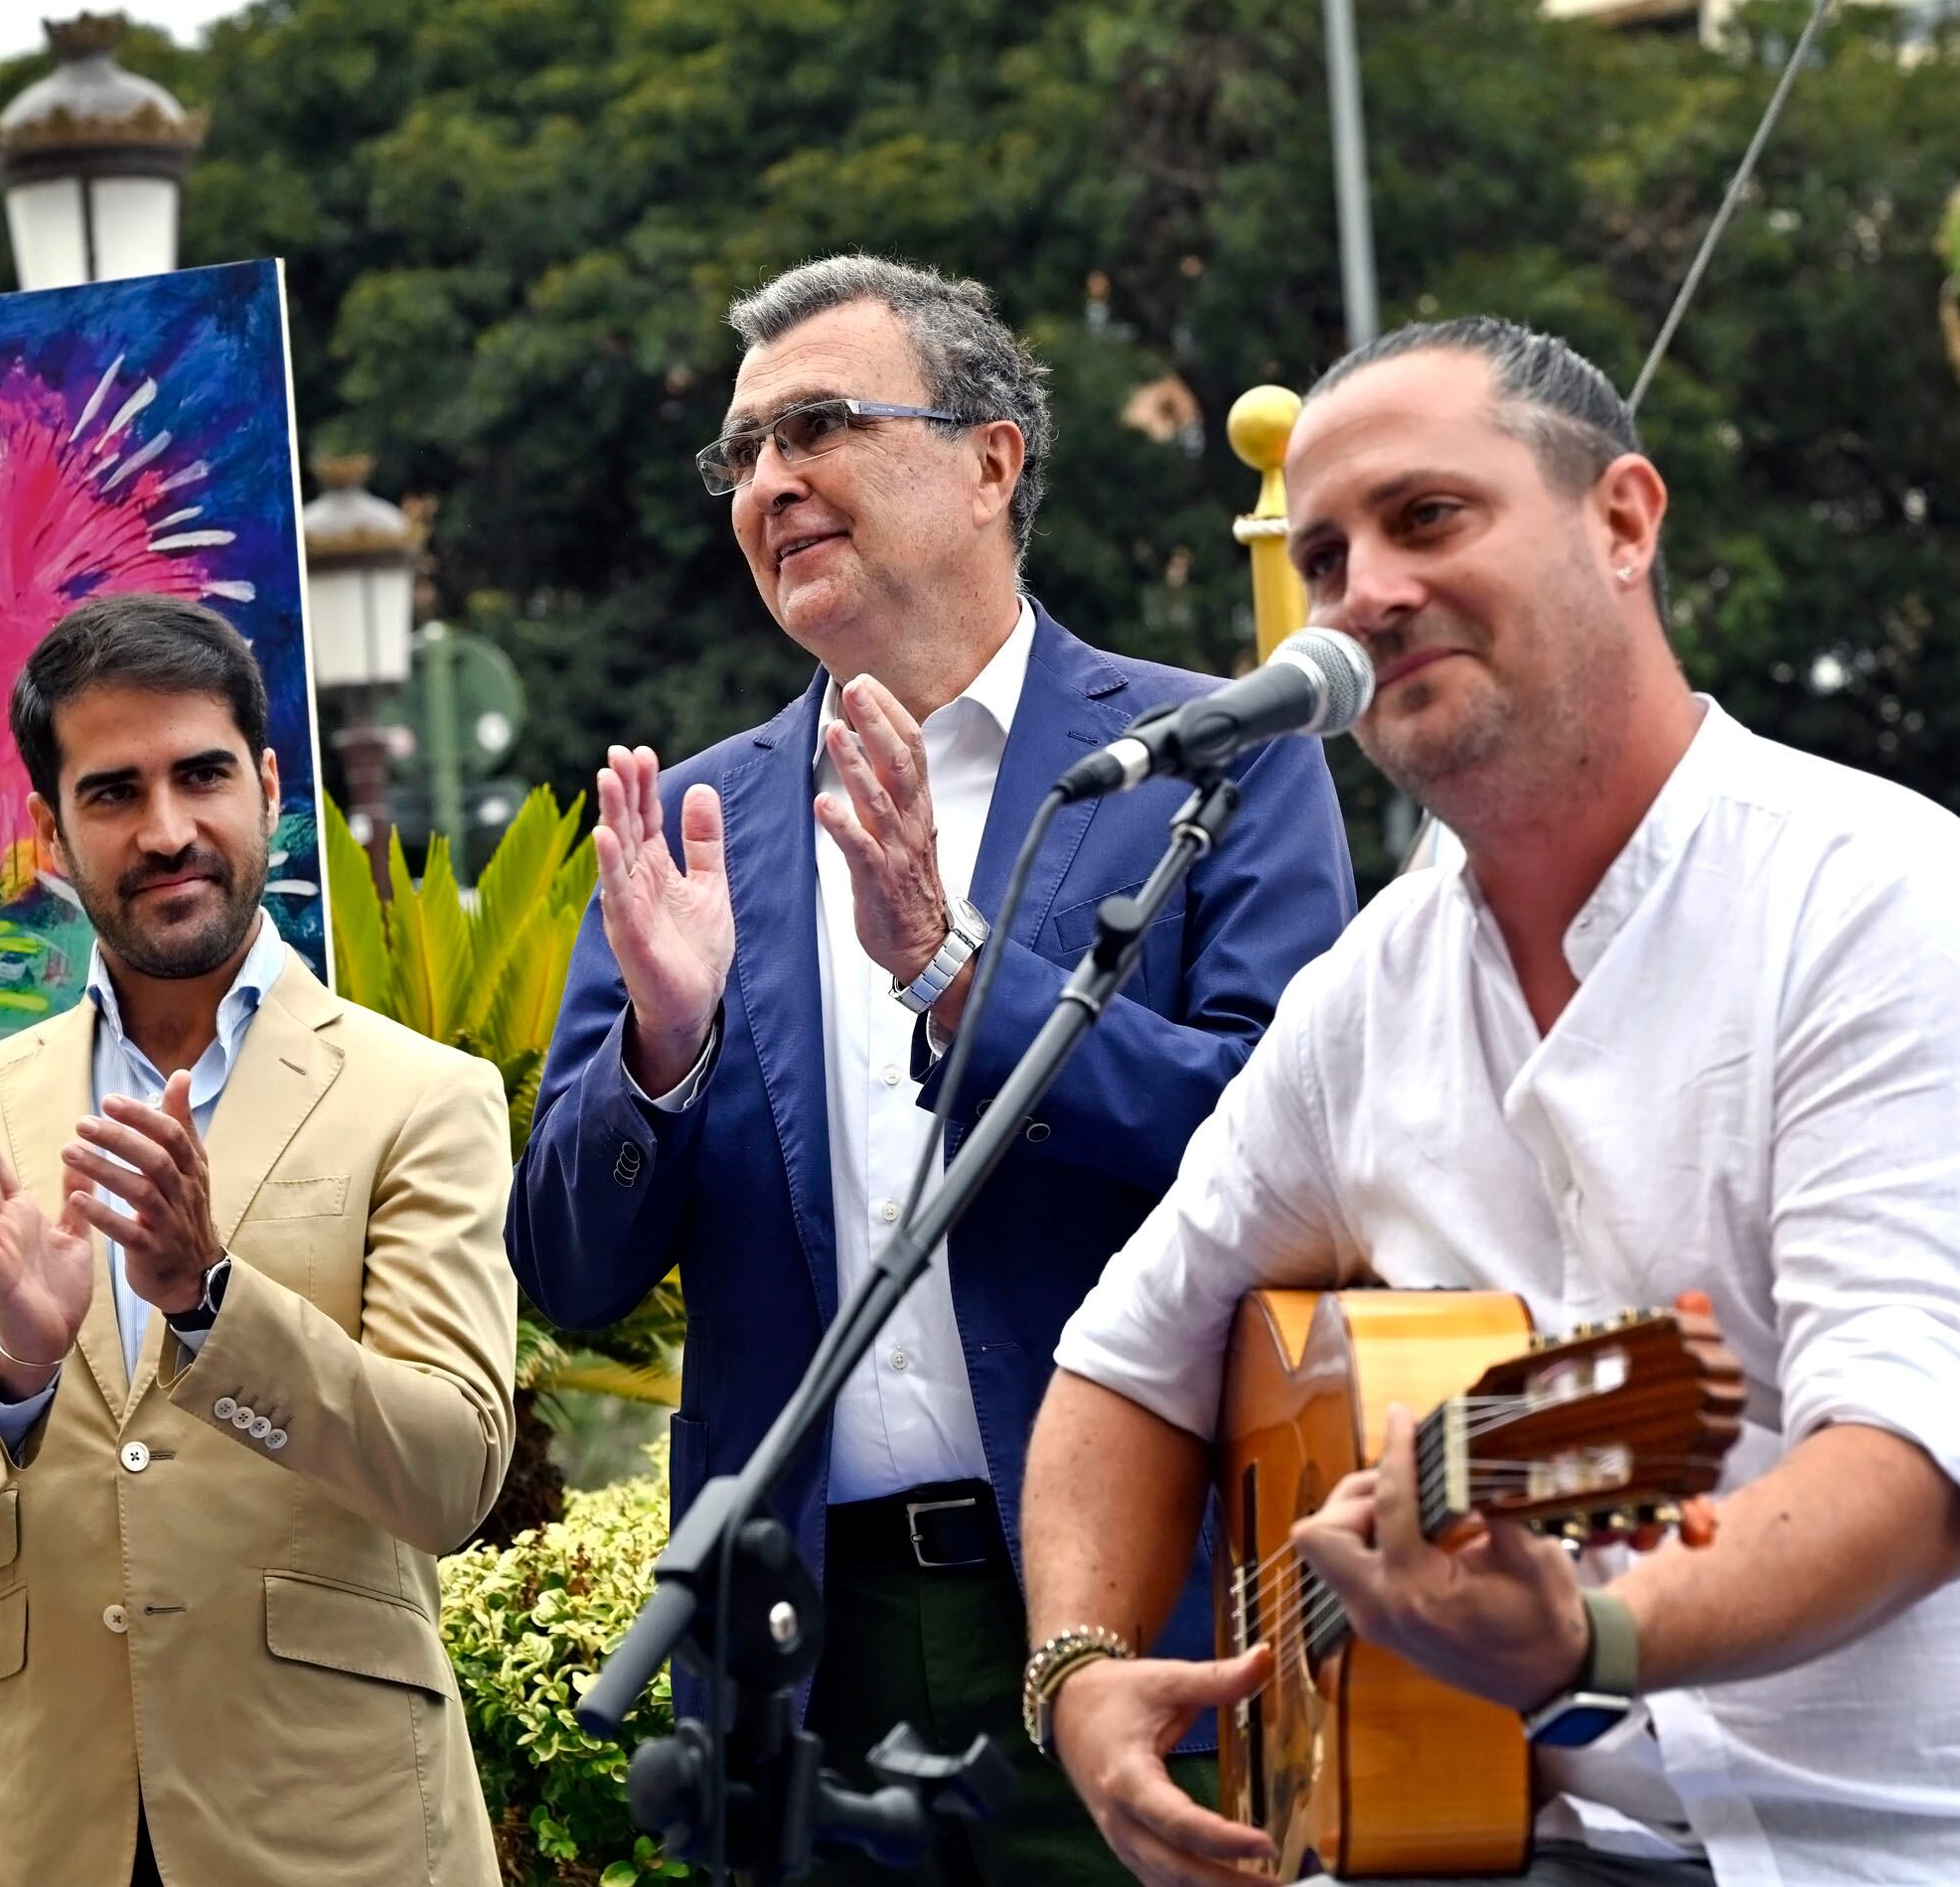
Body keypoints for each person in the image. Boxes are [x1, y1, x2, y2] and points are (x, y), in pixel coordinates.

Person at [1020, 317, 1960, 1887]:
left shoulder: (1890, 914)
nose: (1367, 597)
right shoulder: (1370, 995)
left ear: (1624, 521)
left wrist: (1589, 1640)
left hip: (1953, 1842)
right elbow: (1123, 1360)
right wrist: (1081, 1678)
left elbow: (1907, 1467)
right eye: (1330, 558)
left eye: (1428, 519)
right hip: (1527, 1835)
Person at [508, 255, 1355, 1884]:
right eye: (742, 455)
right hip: (803, 1662)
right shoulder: (694, 829)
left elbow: (1292, 1152)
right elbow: (570, 1269)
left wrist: (956, 975)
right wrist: (664, 1059)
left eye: (819, 426)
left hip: (1143, 1618)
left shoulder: (1212, 761)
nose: (769, 484)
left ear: (990, 462)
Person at [0, 593, 518, 1887]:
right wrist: (12, 1378)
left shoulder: (423, 1097)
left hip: (337, 1828)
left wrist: (210, 1302)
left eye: (200, 775)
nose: (167, 829)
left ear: (268, 780)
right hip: (39, 1834)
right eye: (114, 792)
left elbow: (452, 1475)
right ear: (51, 829)